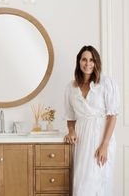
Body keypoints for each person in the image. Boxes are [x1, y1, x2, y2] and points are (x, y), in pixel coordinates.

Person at [64, 45, 119, 196]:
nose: (88, 63)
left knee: (100, 181)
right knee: (81, 183)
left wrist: (104, 145)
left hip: (101, 137)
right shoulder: (71, 87)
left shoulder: (106, 83)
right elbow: (70, 117)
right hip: (82, 140)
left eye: (91, 60)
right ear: (79, 62)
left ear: (96, 63)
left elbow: (112, 116)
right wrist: (71, 131)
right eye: (84, 59)